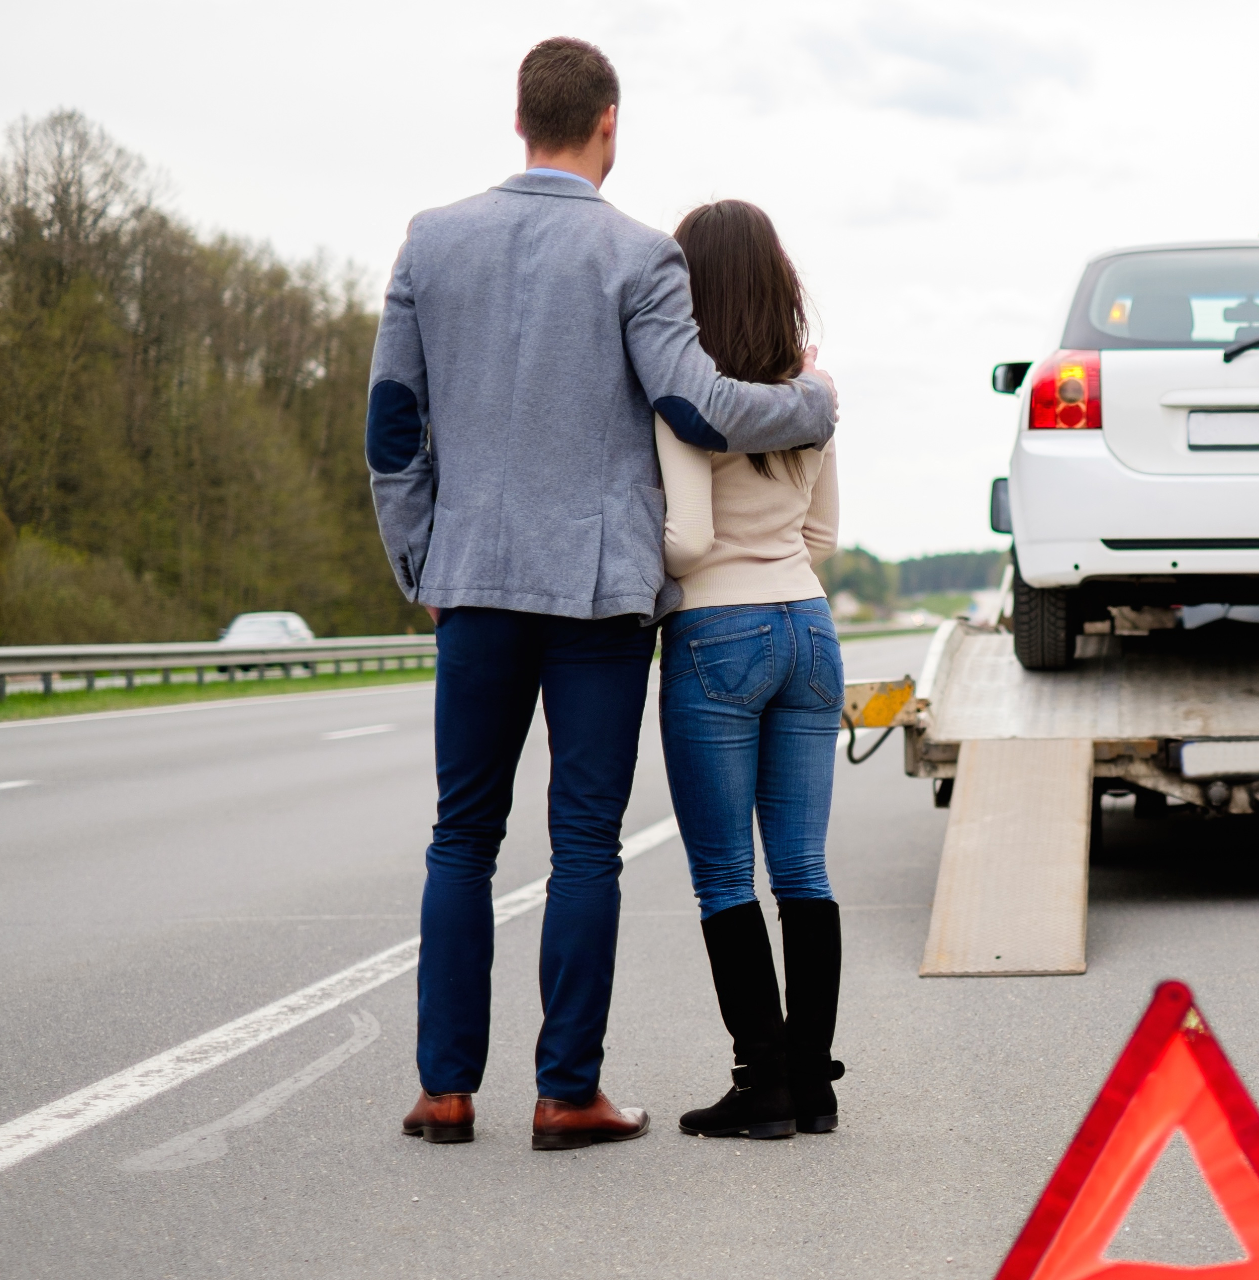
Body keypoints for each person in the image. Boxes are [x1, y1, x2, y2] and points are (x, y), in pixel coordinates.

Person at [366, 39, 838, 1152]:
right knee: (584, 843)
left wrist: (421, 565)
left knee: (460, 840)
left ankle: (444, 1088)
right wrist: (814, 407)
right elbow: (703, 406)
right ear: (609, 121)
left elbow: (394, 426)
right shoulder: (639, 256)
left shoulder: (430, 242)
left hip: (472, 582)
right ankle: (565, 1090)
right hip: (599, 597)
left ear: (519, 116)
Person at [652, 200, 845, 1141]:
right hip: (809, 627)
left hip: (716, 631)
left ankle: (759, 1086)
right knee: (803, 868)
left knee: (726, 873)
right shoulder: (812, 393)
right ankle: (813, 1085)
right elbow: (824, 536)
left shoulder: (686, 399)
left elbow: (686, 541)